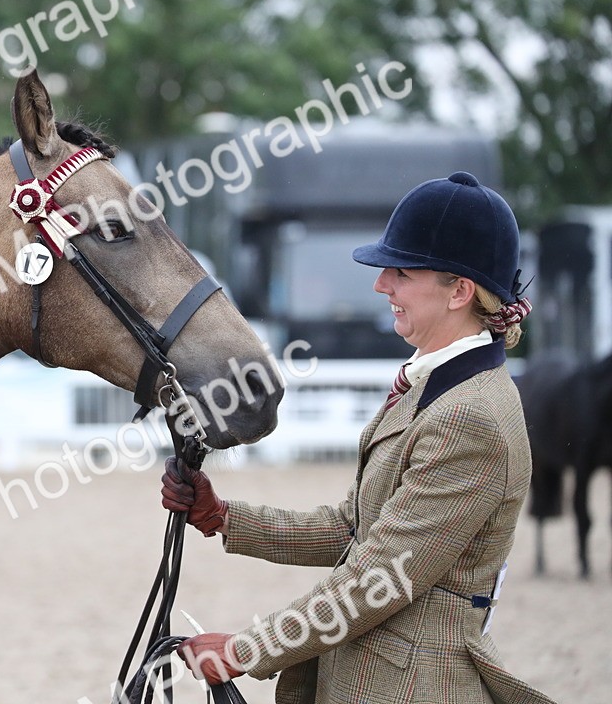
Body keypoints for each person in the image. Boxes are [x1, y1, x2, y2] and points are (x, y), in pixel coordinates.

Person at [162, 172, 556, 704]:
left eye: (401, 272)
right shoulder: (435, 386)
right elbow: (355, 529)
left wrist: (244, 650)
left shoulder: (471, 417)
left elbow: (380, 578)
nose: (381, 285)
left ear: (459, 291)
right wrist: (225, 518)